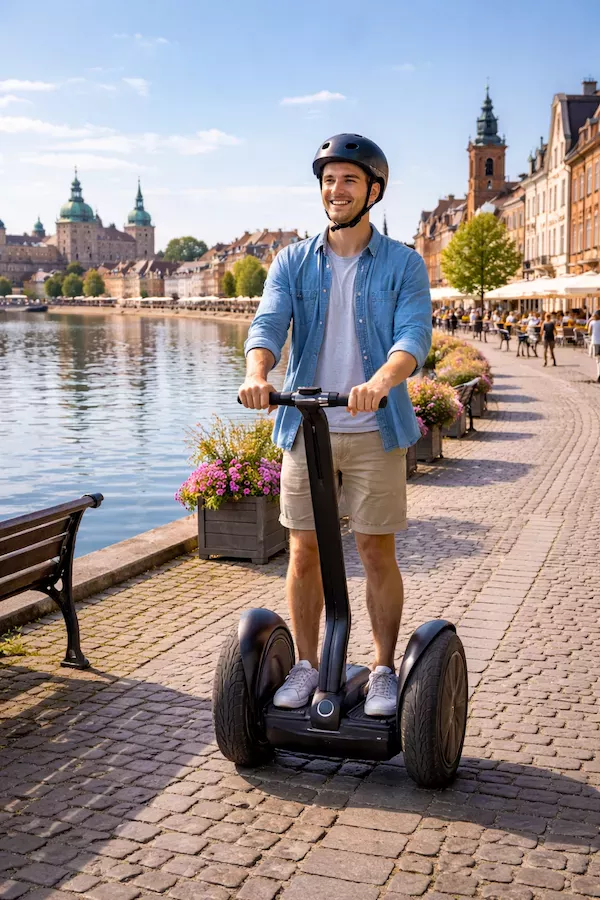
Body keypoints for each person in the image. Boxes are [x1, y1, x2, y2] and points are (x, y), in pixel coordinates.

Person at [240, 133, 431, 716]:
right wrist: (257, 370)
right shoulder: (294, 260)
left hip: (376, 428)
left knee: (376, 551)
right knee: (302, 552)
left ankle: (379, 669)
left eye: (348, 179)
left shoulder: (403, 263)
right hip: (307, 427)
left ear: (373, 189)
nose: (335, 189)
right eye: (328, 180)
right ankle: (303, 663)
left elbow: (412, 336)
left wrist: (381, 382)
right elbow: (269, 323)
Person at [588, 310, 600, 382]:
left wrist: (590, 320)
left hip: (595, 342)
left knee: (598, 359)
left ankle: (599, 374)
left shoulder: (592, 323)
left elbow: (589, 332)